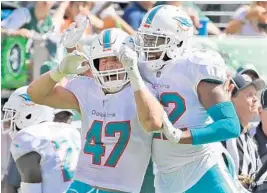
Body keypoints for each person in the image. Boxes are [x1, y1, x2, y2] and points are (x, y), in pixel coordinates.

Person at [116, 4, 243, 193]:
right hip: (164, 174)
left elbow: (230, 125)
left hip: (202, 167)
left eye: (156, 40)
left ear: (178, 41)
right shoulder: (139, 66)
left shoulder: (195, 66)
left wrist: (180, 135)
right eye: (146, 39)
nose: (147, 46)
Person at [27, 26, 156, 192]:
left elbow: (153, 121)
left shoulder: (143, 93)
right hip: (84, 183)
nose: (109, 65)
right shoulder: (87, 89)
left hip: (123, 187)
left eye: (116, 59)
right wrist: (59, 71)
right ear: (95, 63)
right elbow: (36, 94)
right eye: (104, 60)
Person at [1, 86, 81, 193]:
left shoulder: (28, 138)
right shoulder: (71, 131)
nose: (11, 119)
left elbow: (30, 188)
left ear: (29, 114)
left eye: (14, 114)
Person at [222, 74, 265, 190]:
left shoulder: (249, 138)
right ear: (231, 98)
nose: (256, 99)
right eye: (250, 95)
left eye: (255, 94)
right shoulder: (224, 135)